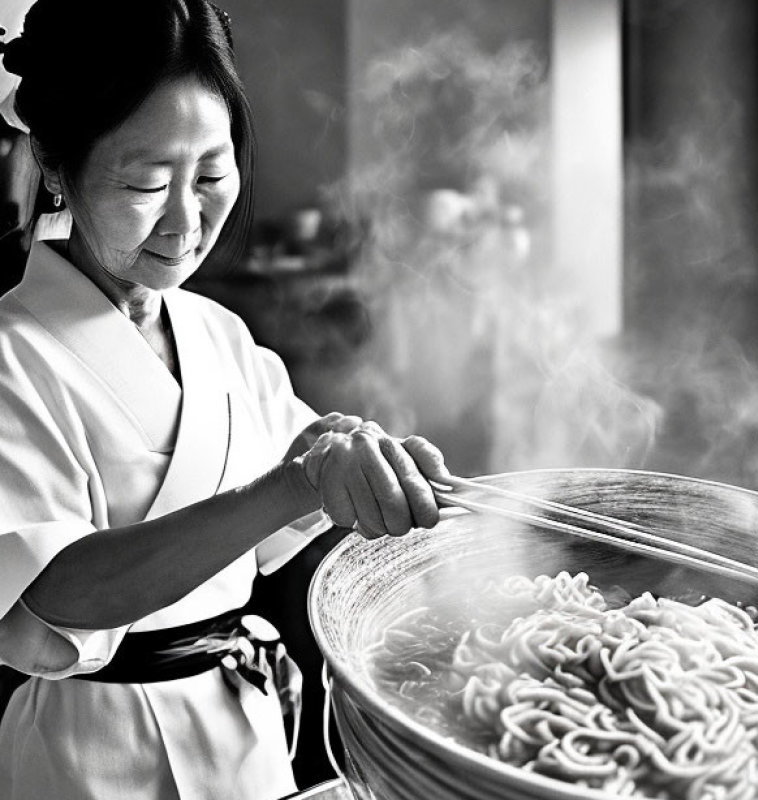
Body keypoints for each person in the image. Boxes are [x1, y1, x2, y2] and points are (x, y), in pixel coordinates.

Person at [0, 2, 450, 798]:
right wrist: (291, 483)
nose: (186, 219)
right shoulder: (11, 352)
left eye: (210, 174)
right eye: (146, 183)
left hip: (245, 732)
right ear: (58, 165)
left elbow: (294, 498)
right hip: (93, 756)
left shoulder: (217, 332)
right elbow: (50, 590)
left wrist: (357, 463)